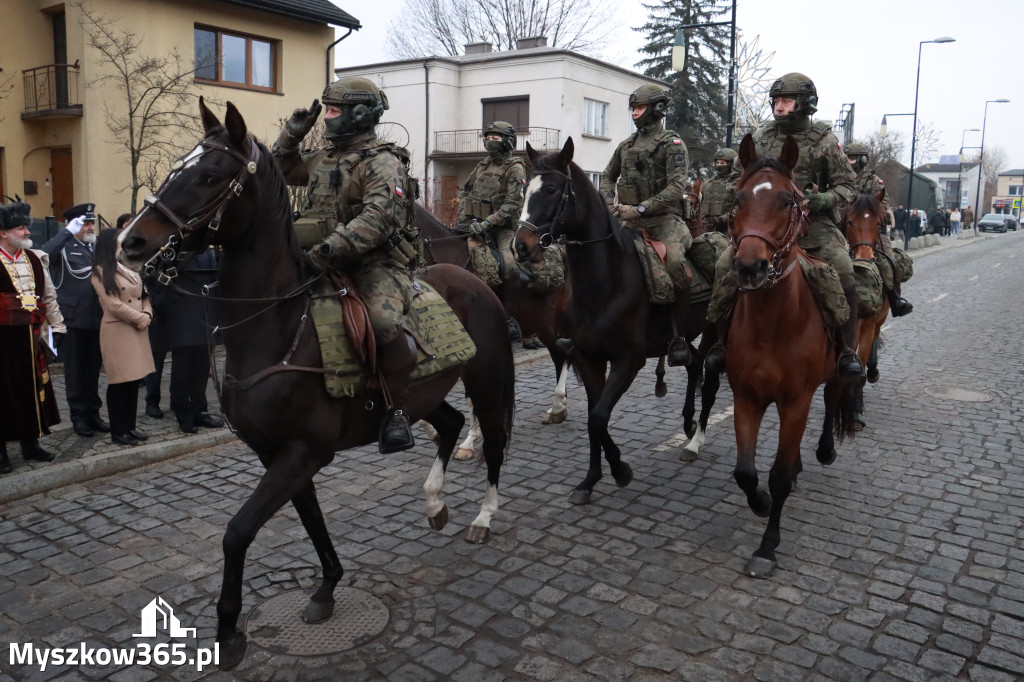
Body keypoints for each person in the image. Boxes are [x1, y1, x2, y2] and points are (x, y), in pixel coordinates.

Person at [272, 76, 420, 453]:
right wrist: (292, 134)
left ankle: (399, 410)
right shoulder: (325, 158)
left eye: (334, 111)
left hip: (373, 265)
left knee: (384, 322)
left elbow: (376, 221)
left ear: (359, 114)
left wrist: (323, 252)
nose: (328, 118)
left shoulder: (383, 161)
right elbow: (279, 171)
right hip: (319, 260)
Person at [706, 72, 862, 379]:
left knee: (842, 267)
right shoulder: (761, 137)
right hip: (766, 227)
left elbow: (848, 187)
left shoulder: (825, 141)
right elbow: (739, 179)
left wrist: (826, 200)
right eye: (776, 101)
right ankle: (719, 343)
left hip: (813, 226)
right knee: (725, 264)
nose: (779, 107)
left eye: (786, 101)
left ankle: (846, 350)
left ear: (805, 104)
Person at [600, 84, 693, 366]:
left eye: (640, 108)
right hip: (627, 219)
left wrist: (641, 208)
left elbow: (677, 186)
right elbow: (606, 176)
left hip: (665, 220)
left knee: (676, 263)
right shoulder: (625, 145)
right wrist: (607, 203)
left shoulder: (672, 144)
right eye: (633, 109)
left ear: (657, 110)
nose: (635, 113)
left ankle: (678, 335)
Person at [0, 201, 64, 473]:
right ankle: (1, 452)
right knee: (3, 395)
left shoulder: (34, 258)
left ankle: (31, 443)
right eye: (20, 227)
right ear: (3, 232)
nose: (27, 231)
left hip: (30, 340)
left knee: (31, 391)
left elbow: (48, 296)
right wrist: (15, 304)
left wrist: (58, 326)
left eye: (26, 226)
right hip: (2, 343)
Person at [456, 121, 533, 346]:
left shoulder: (515, 167)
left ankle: (508, 318)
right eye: (488, 137)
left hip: (503, 228)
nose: (490, 141)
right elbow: (466, 193)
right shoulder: (481, 165)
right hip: (474, 223)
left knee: (509, 264)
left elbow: (512, 202)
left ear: (508, 141)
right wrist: (464, 218)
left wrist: (489, 223)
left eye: (496, 138)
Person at [41, 203, 108, 437]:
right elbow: (43, 255)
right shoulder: (63, 246)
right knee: (76, 372)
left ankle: (94, 413)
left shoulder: (95, 247)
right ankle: (79, 417)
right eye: (84, 223)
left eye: (91, 223)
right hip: (74, 319)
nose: (90, 227)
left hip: (97, 317)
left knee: (92, 371)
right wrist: (67, 232)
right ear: (73, 224)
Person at [143, 247, 225, 433]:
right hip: (181, 319)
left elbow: (213, 283)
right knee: (182, 372)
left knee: (201, 371)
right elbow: (154, 279)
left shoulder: (207, 252)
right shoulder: (172, 249)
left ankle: (200, 411)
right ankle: (184, 414)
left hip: (204, 319)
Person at [90, 227, 154, 445]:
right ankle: (119, 431)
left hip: (137, 329)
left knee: (133, 381)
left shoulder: (128, 266)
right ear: (111, 244)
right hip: (118, 330)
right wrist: (140, 318)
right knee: (120, 382)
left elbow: (144, 295)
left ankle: (130, 427)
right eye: (120, 241)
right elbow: (113, 304)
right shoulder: (99, 271)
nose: (124, 244)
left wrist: (147, 313)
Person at [845, 142, 912, 316]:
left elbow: (883, 203)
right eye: (847, 158)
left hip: (871, 229)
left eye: (852, 158)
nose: (849, 162)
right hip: (845, 227)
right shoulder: (840, 178)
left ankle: (895, 299)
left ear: (863, 159)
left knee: (890, 260)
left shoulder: (874, 181)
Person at [701, 147, 741, 234]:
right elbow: (702, 204)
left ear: (731, 164)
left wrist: (721, 220)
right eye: (717, 162)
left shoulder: (737, 184)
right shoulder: (707, 184)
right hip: (707, 229)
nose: (719, 165)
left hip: (730, 229)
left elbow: (739, 208)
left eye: (723, 163)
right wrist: (705, 219)